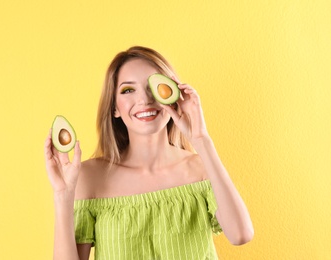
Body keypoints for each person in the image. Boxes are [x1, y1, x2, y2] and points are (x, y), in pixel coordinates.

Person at [44, 46, 254, 260]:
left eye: (154, 87)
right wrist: (63, 195)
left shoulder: (200, 169)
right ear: (114, 107)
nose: (144, 99)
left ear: (172, 94)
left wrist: (201, 141)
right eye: (128, 90)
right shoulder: (90, 177)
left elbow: (241, 234)